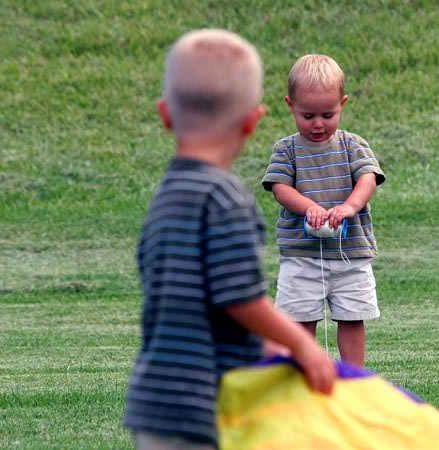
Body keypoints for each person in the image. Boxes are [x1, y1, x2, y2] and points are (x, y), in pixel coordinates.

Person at [124, 30, 336, 450]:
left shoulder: (166, 195)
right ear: (252, 121)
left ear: (166, 115)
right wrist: (301, 345)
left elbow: (193, 297)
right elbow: (240, 298)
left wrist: (269, 344)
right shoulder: (223, 198)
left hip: (155, 403)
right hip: (208, 403)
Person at [262, 54, 386, 368]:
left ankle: (354, 377)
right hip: (301, 255)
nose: (318, 124)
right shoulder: (287, 149)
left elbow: (368, 178)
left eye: (328, 114)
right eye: (308, 115)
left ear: (342, 104)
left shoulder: (353, 145)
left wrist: (349, 206)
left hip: (351, 255)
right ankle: (303, 373)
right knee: (301, 318)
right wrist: (310, 208)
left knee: (352, 316)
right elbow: (280, 188)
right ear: (290, 105)